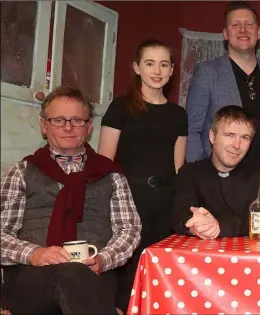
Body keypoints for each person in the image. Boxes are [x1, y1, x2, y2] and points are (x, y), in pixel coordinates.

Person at [0, 86, 141, 314]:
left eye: (77, 120)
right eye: (58, 120)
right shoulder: (21, 172)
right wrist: (34, 254)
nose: (68, 127)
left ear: (89, 127)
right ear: (44, 126)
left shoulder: (112, 175)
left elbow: (129, 230)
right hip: (31, 279)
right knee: (72, 275)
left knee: (79, 276)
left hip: (94, 276)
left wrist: (103, 260)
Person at [97, 39, 187, 312]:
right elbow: (103, 162)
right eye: (149, 63)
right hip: (129, 199)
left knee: (158, 264)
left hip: (165, 200)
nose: (157, 70)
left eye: (163, 64)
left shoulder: (178, 114)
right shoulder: (120, 107)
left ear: (172, 70)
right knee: (127, 268)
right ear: (137, 67)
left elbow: (178, 166)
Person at [185, 1, 260, 167]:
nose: (243, 30)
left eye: (249, 24)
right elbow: (192, 130)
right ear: (225, 34)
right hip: (220, 179)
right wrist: (200, 175)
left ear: (259, 32)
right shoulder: (207, 72)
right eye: (235, 25)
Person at [172, 106, 260, 239]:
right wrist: (196, 225)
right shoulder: (190, 173)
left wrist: (219, 226)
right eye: (229, 135)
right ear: (212, 136)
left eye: (245, 137)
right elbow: (179, 216)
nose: (237, 145)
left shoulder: (258, 177)